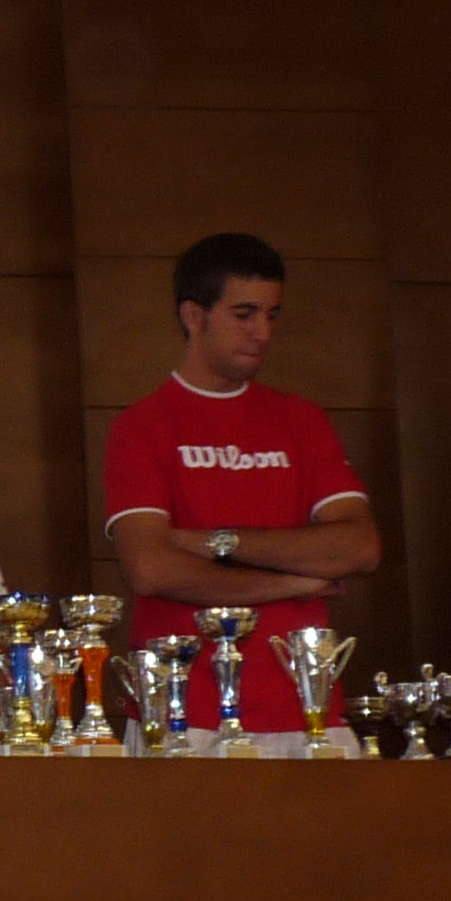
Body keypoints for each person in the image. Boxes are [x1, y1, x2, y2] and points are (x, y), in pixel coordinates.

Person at [103, 231, 379, 747]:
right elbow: (152, 568)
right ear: (193, 315)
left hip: (308, 710)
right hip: (186, 715)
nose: (262, 332)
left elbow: (360, 547)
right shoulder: (142, 427)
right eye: (244, 314)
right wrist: (294, 582)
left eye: (272, 316)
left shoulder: (301, 420)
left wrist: (213, 543)